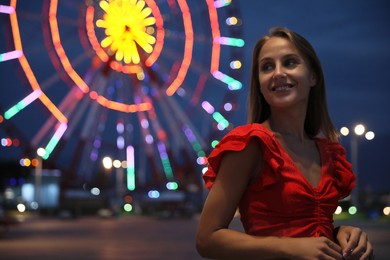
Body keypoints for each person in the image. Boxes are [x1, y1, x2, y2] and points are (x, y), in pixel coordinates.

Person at [196, 27, 374, 259]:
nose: (278, 73)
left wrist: (341, 234)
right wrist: (290, 246)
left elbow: (313, 231)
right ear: (259, 83)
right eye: (267, 67)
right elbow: (207, 239)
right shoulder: (251, 145)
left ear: (313, 76)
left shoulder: (328, 153)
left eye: (290, 63)